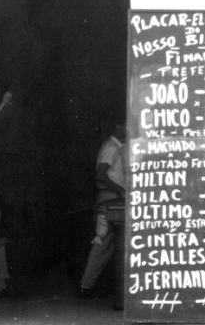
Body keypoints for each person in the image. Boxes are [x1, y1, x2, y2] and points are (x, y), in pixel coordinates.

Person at [79, 118, 126, 298]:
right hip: (109, 202)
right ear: (117, 126)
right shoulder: (111, 148)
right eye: (124, 124)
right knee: (102, 245)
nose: (127, 128)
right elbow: (101, 175)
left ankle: (89, 286)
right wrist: (120, 189)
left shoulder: (119, 148)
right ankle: (86, 286)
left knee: (109, 246)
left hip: (114, 202)